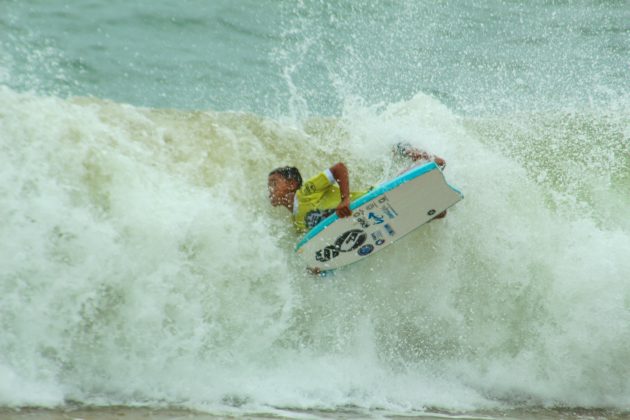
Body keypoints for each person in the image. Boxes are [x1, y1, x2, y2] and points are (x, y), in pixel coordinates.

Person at [268, 142, 447, 233]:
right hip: (366, 222)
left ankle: (409, 151)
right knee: (439, 213)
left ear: (291, 184)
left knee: (435, 165)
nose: (270, 190)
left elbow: (339, 168)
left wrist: (345, 199)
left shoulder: (305, 191)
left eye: (274, 183)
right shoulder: (297, 224)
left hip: (369, 200)